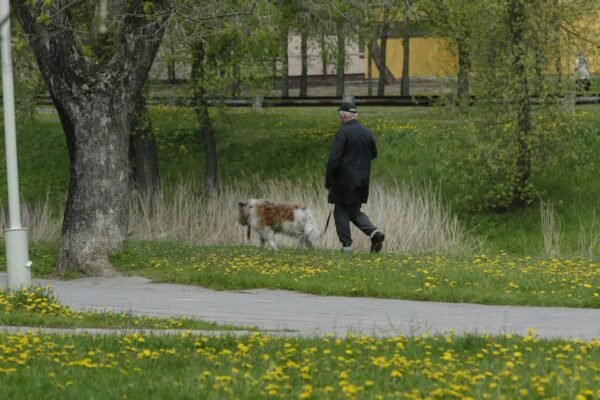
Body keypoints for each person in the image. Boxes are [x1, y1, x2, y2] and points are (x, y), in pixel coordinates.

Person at [325, 101, 385, 252]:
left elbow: (334, 160)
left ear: (343, 116)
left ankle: (346, 246)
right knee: (354, 212)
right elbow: (373, 154)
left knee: (340, 211)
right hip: (362, 181)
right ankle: (374, 233)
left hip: (343, 181)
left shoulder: (343, 132)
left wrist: (330, 181)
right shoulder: (367, 132)